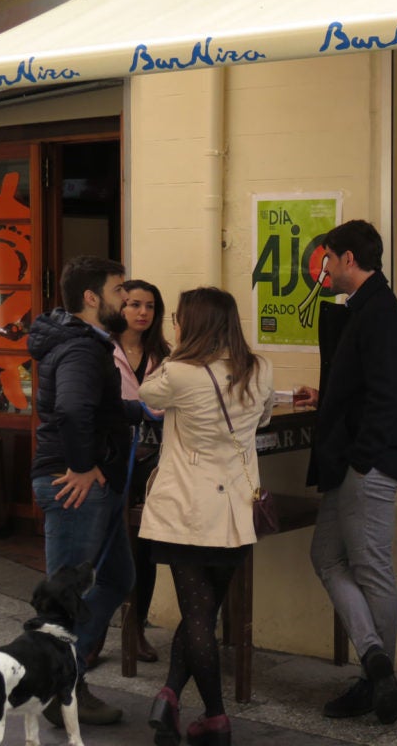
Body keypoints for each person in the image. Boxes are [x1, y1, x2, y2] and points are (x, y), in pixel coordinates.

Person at [293, 219, 397, 725]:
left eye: (327, 258)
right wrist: (330, 400)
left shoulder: (380, 310)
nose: (323, 268)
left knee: (372, 568)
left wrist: (362, 458)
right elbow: (365, 383)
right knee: (326, 555)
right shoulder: (364, 308)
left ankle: (375, 682)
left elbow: (388, 394)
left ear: (346, 259)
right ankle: (374, 658)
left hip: (367, 462)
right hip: (350, 459)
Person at [139, 287, 274, 746]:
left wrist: (175, 352)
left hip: (186, 508)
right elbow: (266, 417)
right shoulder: (258, 368)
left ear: (189, 325)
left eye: (178, 318)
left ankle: (214, 715)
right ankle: (172, 696)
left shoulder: (176, 372)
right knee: (205, 610)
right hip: (236, 510)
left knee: (196, 614)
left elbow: (146, 394)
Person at [28, 255, 137, 726]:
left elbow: (95, 408)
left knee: (117, 579)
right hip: (76, 485)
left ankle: (65, 673)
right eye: (118, 292)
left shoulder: (86, 344)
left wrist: (146, 409)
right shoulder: (80, 349)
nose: (126, 301)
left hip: (94, 481)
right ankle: (61, 687)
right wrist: (83, 466)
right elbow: (73, 411)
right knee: (63, 600)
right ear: (91, 299)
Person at [111, 279, 171, 665]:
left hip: (151, 462)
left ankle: (137, 630)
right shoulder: (102, 350)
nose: (142, 312)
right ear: (120, 308)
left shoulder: (164, 354)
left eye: (149, 306)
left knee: (144, 549)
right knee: (107, 547)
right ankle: (96, 633)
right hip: (111, 458)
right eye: (134, 304)